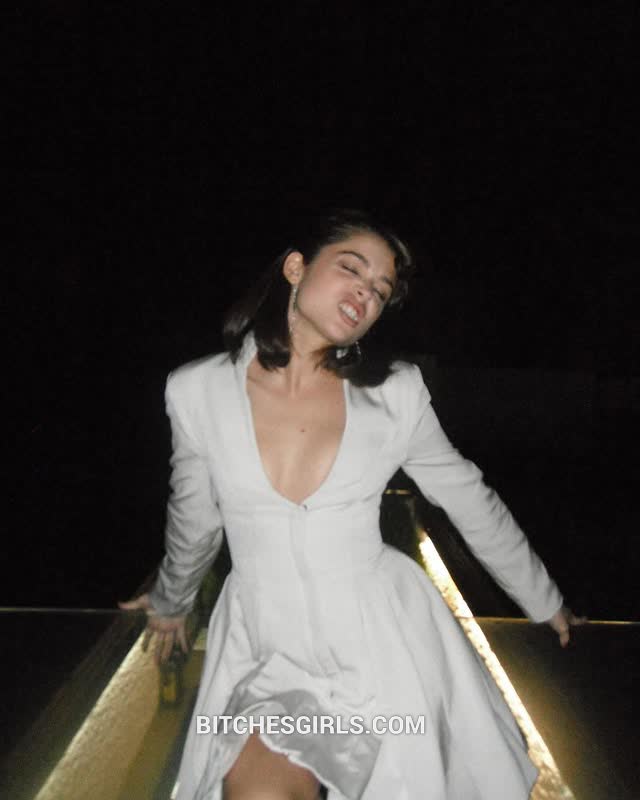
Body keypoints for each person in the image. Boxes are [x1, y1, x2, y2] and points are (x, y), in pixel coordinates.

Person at [120, 208, 584, 800]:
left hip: (382, 643)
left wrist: (544, 600)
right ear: (296, 268)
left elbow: (468, 499)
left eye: (380, 291)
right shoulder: (197, 389)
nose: (366, 294)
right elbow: (195, 520)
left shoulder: (395, 392)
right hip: (265, 647)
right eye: (351, 269)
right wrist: (171, 601)